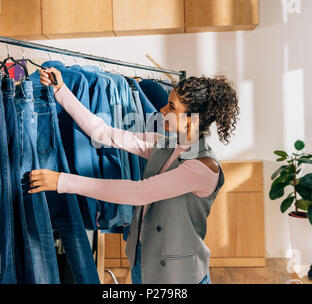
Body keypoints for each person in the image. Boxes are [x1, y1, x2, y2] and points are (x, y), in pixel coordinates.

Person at [29, 67, 240, 284]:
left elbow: (139, 192)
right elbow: (104, 133)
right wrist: (61, 91)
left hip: (179, 275)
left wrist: (63, 181)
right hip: (144, 260)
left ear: (190, 120)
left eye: (172, 107)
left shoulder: (203, 167)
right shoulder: (164, 144)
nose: (162, 109)